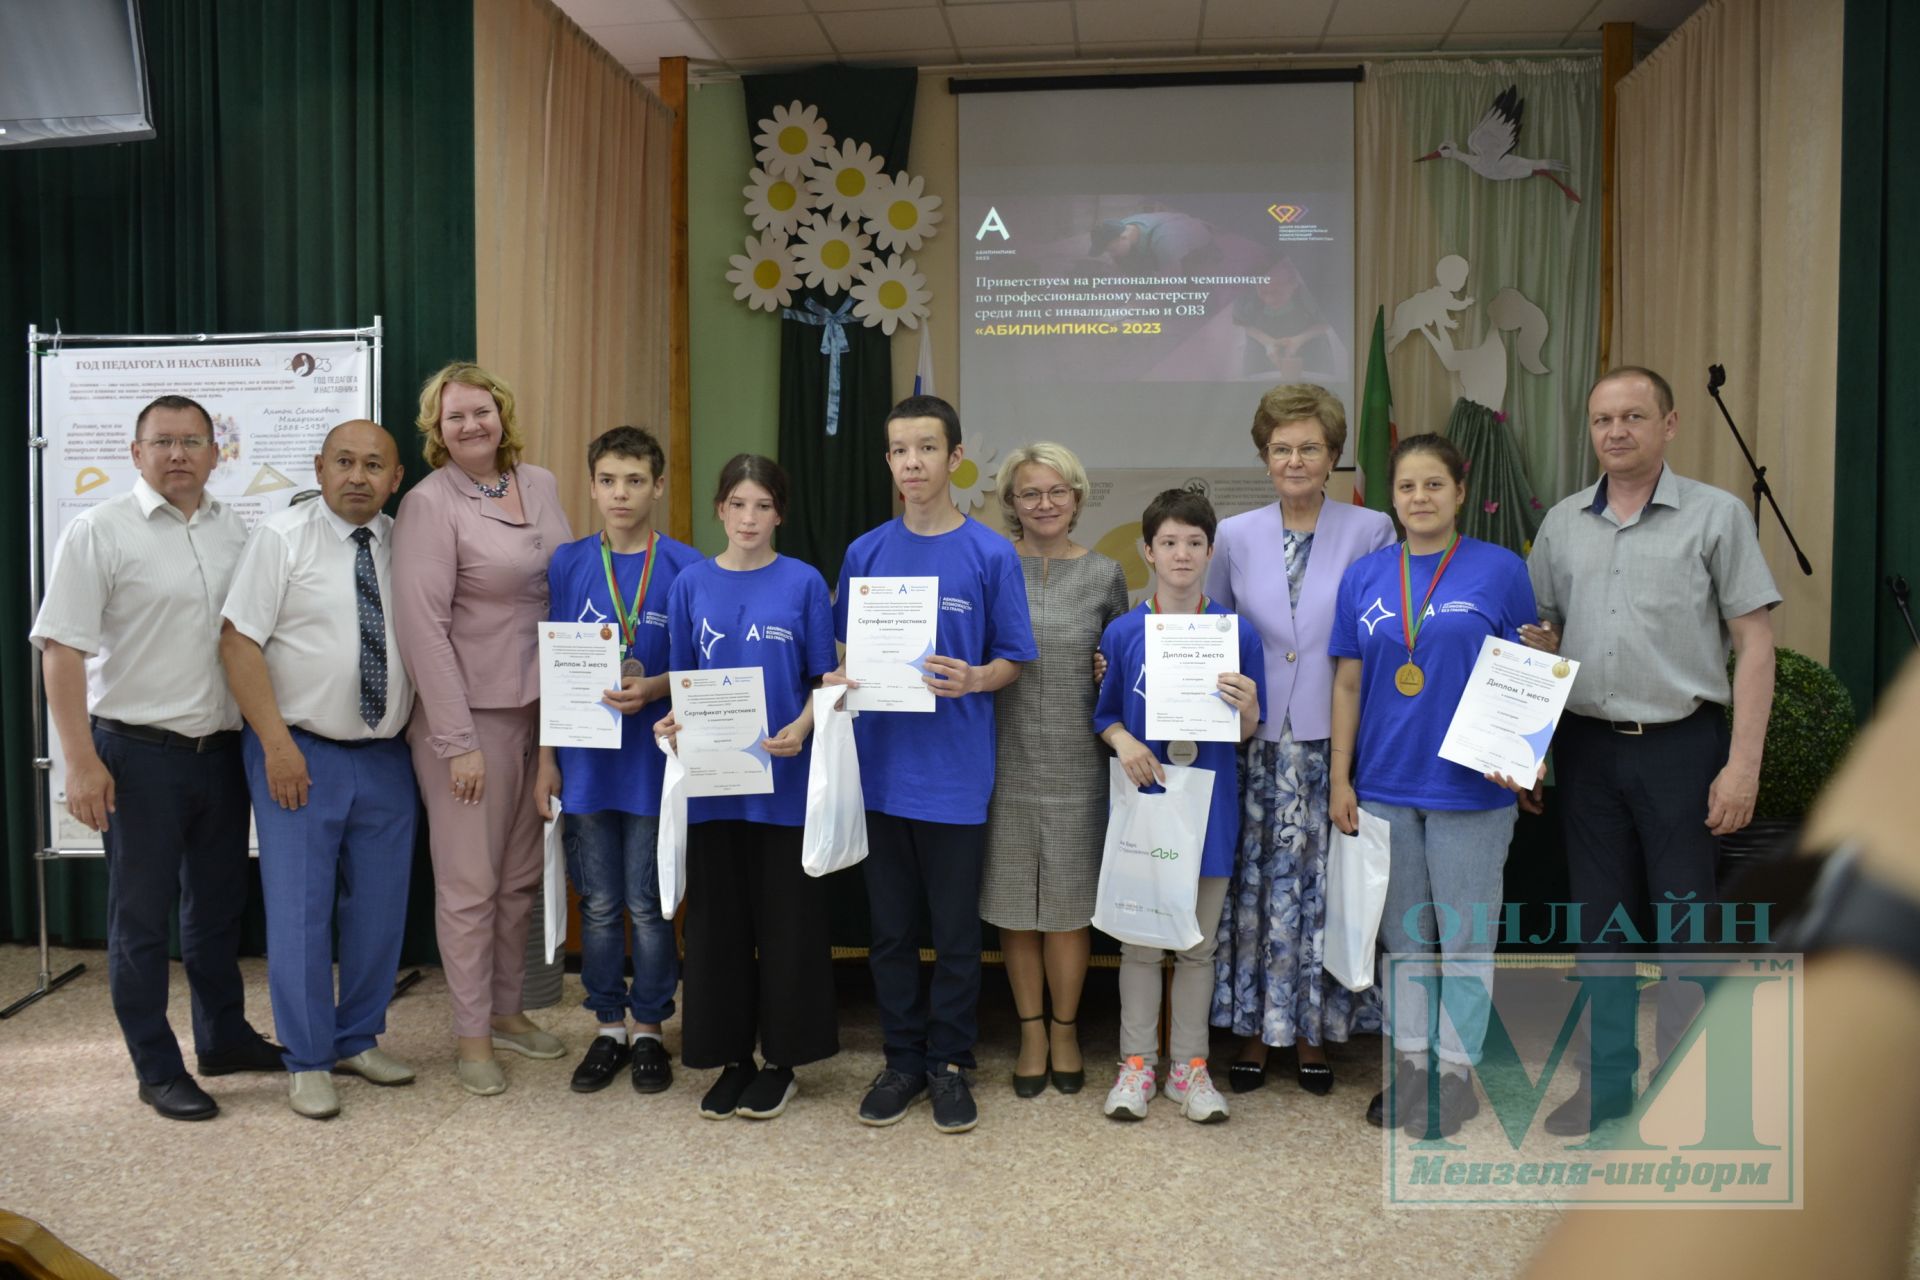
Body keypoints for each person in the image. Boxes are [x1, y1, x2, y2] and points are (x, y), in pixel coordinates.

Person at [1519, 365, 1779, 1135]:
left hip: (1683, 749)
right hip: (1589, 750)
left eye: (1634, 416)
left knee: (1685, 928)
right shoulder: (1563, 523)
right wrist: (1529, 749)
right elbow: (1539, 643)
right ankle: (1604, 1088)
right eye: (1603, 420)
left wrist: (1743, 764)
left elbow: (1756, 645)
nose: (1617, 432)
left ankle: (1685, 1084)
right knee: (1597, 930)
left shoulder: (1717, 516)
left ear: (1669, 425)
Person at [31, 394, 284, 1121]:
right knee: (140, 921)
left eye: (193, 442)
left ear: (216, 453)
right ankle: (156, 1065)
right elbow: (61, 651)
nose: (178, 454)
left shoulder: (234, 528)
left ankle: (224, 1039)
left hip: (219, 754)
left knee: (216, 912)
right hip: (135, 756)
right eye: (163, 442)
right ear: (135, 452)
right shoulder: (98, 532)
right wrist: (79, 761)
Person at [826, 394, 1037, 1135]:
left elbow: (1014, 656)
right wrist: (838, 676)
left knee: (952, 935)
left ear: (954, 458)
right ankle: (902, 1060)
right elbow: (846, 650)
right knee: (889, 933)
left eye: (925, 448)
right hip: (882, 771)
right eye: (898, 450)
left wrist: (976, 678)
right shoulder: (866, 552)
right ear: (888, 462)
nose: (911, 462)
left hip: (954, 774)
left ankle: (950, 1063)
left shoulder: (989, 553)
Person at [1328, 433, 1537, 1137]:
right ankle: (1411, 1065)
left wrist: (1527, 757)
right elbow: (1349, 680)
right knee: (1406, 939)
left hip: (1472, 787)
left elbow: (1526, 671)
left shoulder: (1501, 570)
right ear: (1392, 496)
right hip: (1385, 782)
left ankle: (1456, 1073)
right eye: (1408, 487)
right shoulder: (1366, 575)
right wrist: (1340, 777)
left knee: (1466, 936)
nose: (1420, 498)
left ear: (1459, 492)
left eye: (1434, 486)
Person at [219, 420, 418, 1119]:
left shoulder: (407, 543)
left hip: (388, 755)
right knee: (301, 912)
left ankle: (356, 1037)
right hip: (298, 750)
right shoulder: (282, 537)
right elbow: (238, 642)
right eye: (343, 462)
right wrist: (275, 745)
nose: (357, 476)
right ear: (320, 467)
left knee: (380, 910)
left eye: (373, 465)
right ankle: (306, 1058)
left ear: (397, 478)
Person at [393, 361, 574, 1096]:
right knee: (470, 886)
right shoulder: (430, 505)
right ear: (436, 430)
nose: (471, 426)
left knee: (520, 881)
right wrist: (456, 739)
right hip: (468, 721)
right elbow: (421, 628)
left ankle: (507, 1011)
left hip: (543, 713)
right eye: (454, 416)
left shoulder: (544, 484)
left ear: (504, 414)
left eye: (481, 412)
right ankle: (470, 1036)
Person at [1208, 384, 1394, 1096]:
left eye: (1309, 447)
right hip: (1252, 745)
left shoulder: (1371, 528)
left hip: (1333, 744)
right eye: (1281, 447)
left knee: (1323, 890)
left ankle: (1315, 1031)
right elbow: (1210, 628)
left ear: (1334, 456)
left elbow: (1374, 637)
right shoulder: (1233, 534)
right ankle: (1256, 1029)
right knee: (1255, 892)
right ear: (1263, 456)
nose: (1295, 459)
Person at [655, 454, 840, 1121]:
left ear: (780, 514)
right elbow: (683, 683)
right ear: (719, 510)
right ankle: (730, 1058)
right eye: (738, 504)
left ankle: (783, 1062)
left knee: (789, 927)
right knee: (716, 929)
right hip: (714, 788)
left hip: (785, 785)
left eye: (763, 506)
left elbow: (827, 682)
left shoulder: (805, 583)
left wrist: (801, 725)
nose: (750, 518)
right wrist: (676, 720)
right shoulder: (690, 585)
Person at [531, 425, 698, 1097]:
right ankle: (607, 1027)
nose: (621, 493)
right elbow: (550, 666)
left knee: (650, 904)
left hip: (655, 765)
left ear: (658, 486)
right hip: (586, 763)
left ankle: (651, 1026)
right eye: (608, 480)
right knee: (598, 904)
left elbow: (701, 668)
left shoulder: (687, 567)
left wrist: (654, 688)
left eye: (635, 480)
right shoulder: (569, 564)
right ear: (592, 486)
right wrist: (546, 760)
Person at [1095, 488, 1266, 1124]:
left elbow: (1250, 730)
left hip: (1209, 809)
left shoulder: (1236, 633)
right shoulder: (1123, 632)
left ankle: (1189, 1069)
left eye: (1194, 542)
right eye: (1168, 542)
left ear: (1210, 551)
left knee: (1196, 947)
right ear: (1147, 552)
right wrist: (1124, 740)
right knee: (1141, 944)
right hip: (1145, 804)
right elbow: (1105, 714)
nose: (1182, 553)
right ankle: (1136, 1066)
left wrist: (1247, 704)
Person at [980, 442, 1129, 1098]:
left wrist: (1112, 669)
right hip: (1003, 756)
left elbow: (1125, 661)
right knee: (1015, 905)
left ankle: (1067, 1029)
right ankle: (1031, 1031)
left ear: (1076, 498)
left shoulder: (1104, 574)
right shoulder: (991, 567)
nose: (1044, 504)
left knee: (1069, 907)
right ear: (1012, 503)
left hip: (1078, 760)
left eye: (1056, 492)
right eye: (1029, 493)